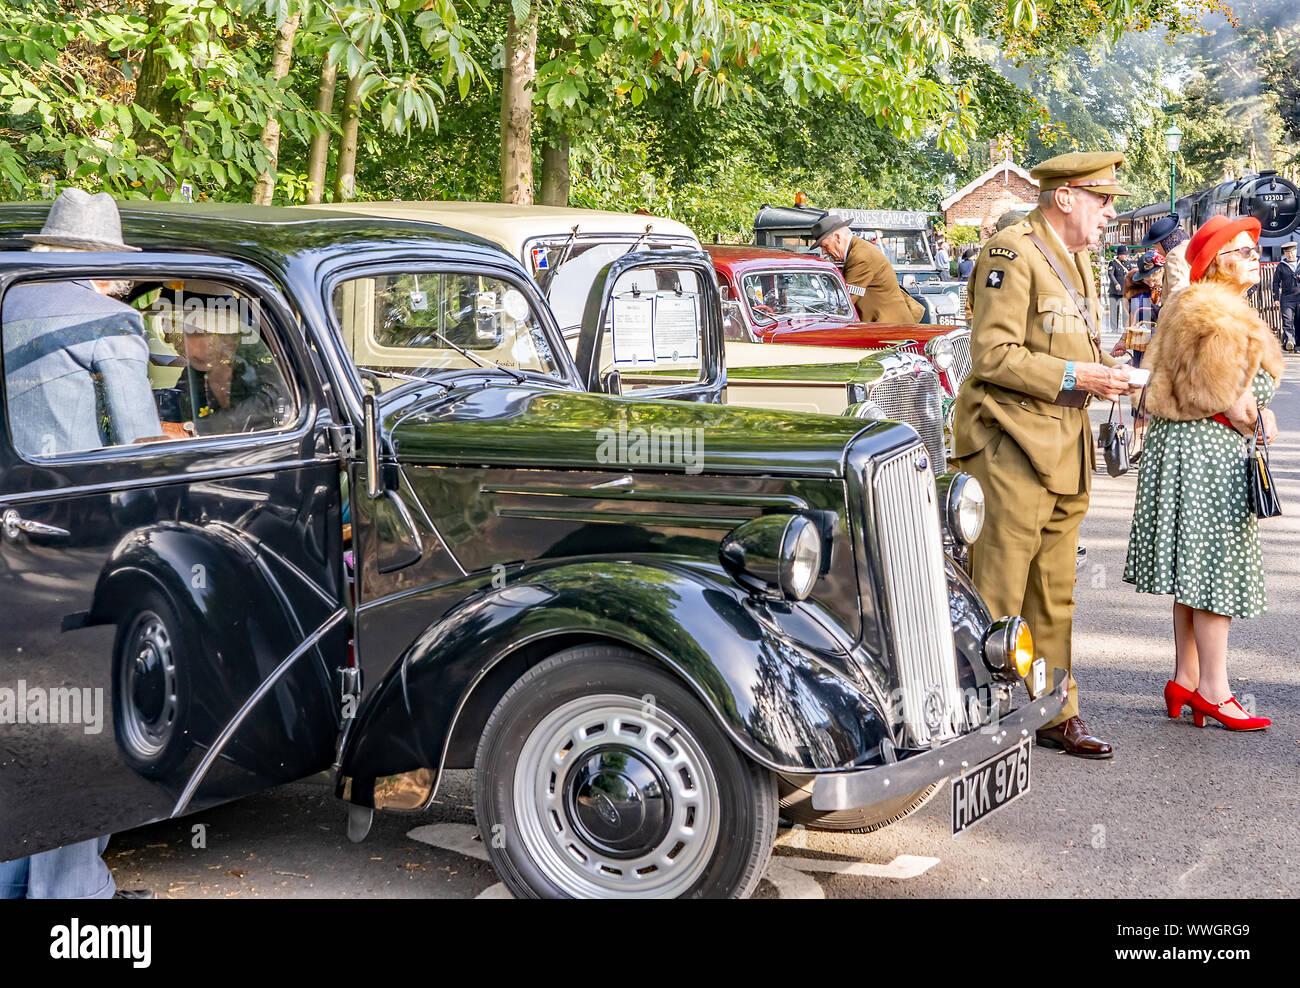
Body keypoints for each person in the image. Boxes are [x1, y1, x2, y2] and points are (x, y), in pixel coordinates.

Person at [0, 189, 159, 899]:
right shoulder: (107, 317)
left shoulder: (7, 298)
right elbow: (140, 444)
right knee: (84, 721)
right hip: (73, 538)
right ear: (107, 267)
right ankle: (71, 894)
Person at [952, 151, 1136, 758]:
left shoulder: (1077, 260)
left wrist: (1106, 371)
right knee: (998, 596)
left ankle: (1056, 710)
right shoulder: (1011, 252)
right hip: (1011, 447)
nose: (1111, 212)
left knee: (1054, 595)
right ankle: (985, 721)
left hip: (1063, 447)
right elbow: (993, 357)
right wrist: (1075, 373)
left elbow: (1067, 345)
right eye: (1102, 199)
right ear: (1066, 197)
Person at [1124, 214, 1282, 731]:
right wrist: (1261, 415)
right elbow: (1226, 398)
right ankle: (1214, 690)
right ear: (1217, 262)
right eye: (1241, 250)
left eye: (1253, 248)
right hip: (1206, 449)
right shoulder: (1213, 312)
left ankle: (1186, 681)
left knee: (1194, 568)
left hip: (1189, 446)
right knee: (1213, 568)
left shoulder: (1198, 305)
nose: (1253, 255)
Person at [809, 214, 925, 324]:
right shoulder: (858, 250)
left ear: (838, 238)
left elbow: (846, 302)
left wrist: (814, 316)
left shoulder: (859, 256)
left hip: (889, 330)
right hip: (888, 327)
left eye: (825, 246)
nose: (823, 252)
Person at [1141, 214, 1190, 300]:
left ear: (1164, 242)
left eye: (1156, 245)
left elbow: (1177, 296)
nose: (1157, 249)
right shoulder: (1188, 246)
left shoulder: (1174, 256)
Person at [1272, 240, 1299, 351]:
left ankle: (1298, 343)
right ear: (1284, 253)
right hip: (1287, 298)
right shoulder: (1281, 266)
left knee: (1298, 321)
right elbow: (1275, 282)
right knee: (1287, 321)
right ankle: (1290, 341)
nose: (1290, 255)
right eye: (1287, 253)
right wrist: (1276, 298)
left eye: (1291, 252)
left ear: (1296, 251)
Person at [1107, 245, 1132, 334]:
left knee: (1125, 310)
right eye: (1124, 254)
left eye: (1126, 254)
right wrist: (1116, 283)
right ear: (1119, 255)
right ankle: (1114, 328)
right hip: (1114, 291)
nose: (1126, 256)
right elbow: (1110, 274)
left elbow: (1130, 275)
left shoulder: (1128, 263)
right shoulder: (1113, 263)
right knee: (1114, 310)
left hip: (1125, 291)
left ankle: (1125, 327)